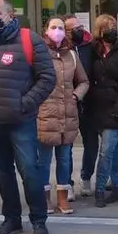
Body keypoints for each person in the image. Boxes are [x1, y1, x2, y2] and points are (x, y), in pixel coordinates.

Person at [0, 0, 56, 234]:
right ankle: (11, 219)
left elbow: (47, 78)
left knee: (30, 171)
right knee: (2, 173)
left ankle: (39, 220)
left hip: (20, 121)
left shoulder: (28, 39)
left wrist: (24, 104)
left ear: (11, 15)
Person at [36, 17, 90, 215]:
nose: (57, 31)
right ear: (46, 30)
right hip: (45, 114)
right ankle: (44, 199)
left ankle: (62, 199)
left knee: (65, 159)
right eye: (53, 27)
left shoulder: (72, 55)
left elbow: (84, 81)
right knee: (43, 160)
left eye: (60, 28)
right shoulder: (39, 53)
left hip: (68, 115)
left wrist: (76, 95)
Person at [86, 13, 118, 207]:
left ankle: (100, 189)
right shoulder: (95, 51)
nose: (111, 30)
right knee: (114, 149)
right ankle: (117, 186)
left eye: (113, 26)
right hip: (99, 108)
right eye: (106, 27)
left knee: (106, 150)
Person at [64, 13, 96, 199]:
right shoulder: (61, 49)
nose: (78, 30)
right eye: (72, 28)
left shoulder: (89, 46)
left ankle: (86, 177)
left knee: (91, 142)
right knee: (65, 146)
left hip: (89, 103)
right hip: (68, 103)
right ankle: (67, 183)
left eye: (79, 26)